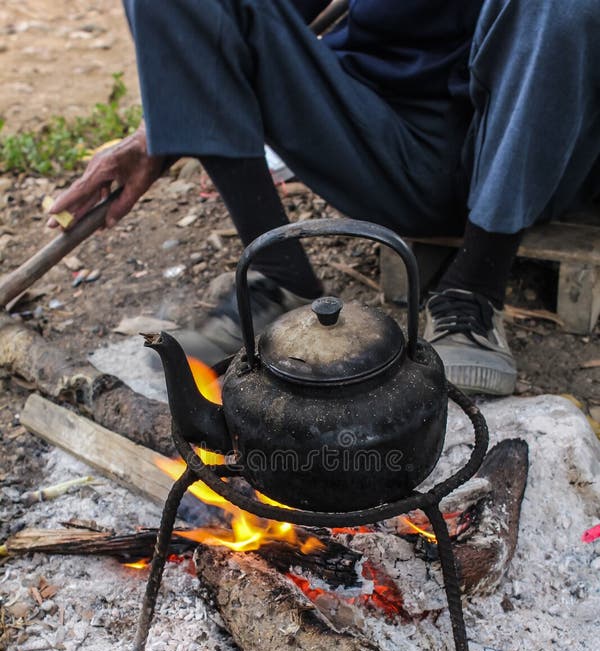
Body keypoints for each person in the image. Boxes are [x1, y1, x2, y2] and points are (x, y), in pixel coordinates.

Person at [50, 0, 600, 396]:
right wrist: (159, 132)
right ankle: (279, 273)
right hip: (387, 139)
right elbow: (246, 19)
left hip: (536, 144)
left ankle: (475, 289)